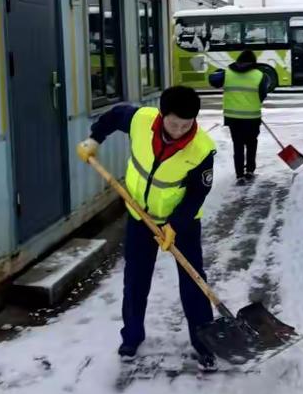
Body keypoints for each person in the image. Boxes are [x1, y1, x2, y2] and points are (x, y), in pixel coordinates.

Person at [77, 86, 218, 372]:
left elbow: (197, 193)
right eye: (173, 123)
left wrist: (174, 226)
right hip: (139, 217)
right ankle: (131, 336)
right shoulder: (141, 120)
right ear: (162, 115)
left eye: (186, 125)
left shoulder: (202, 149)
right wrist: (94, 139)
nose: (179, 130)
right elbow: (114, 116)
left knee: (193, 282)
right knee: (136, 279)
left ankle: (204, 341)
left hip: (183, 223)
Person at [209, 50, 269, 185]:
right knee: (252, 143)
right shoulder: (260, 76)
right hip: (252, 117)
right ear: (254, 62)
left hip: (233, 117)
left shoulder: (227, 73)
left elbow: (213, 81)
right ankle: (250, 171)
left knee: (238, 145)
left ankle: (239, 174)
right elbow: (263, 95)